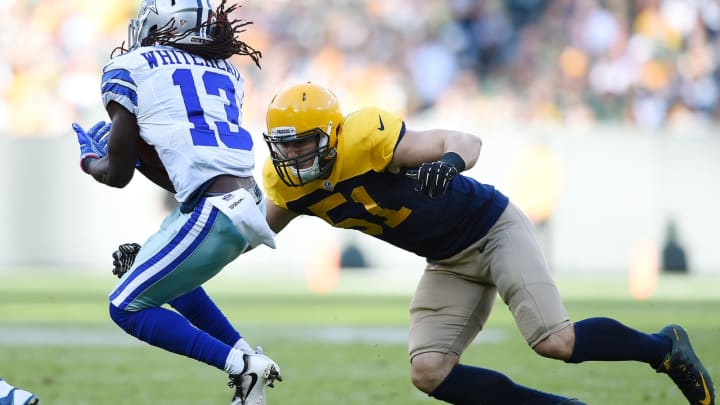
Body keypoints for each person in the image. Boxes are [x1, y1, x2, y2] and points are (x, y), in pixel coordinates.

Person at [258, 82, 715, 405]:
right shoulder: (290, 188)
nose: (294, 157)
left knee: (556, 341)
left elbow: (464, 140)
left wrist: (451, 162)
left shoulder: (366, 140)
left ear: (334, 135)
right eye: (286, 146)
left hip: (492, 228)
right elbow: (250, 233)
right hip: (447, 260)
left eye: (304, 143)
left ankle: (665, 348)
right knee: (429, 371)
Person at [71, 1, 281, 404]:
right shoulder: (228, 72)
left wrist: (90, 162)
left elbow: (116, 176)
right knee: (164, 282)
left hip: (214, 209)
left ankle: (241, 366)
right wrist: (136, 155)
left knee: (125, 307)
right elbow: (186, 167)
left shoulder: (134, 67)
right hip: (243, 200)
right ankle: (248, 368)